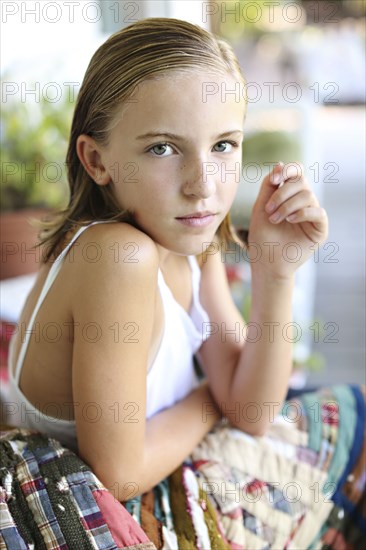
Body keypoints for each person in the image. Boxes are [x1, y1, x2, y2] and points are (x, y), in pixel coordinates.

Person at [5, 18, 364, 549]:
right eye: (162, 149)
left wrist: (275, 271)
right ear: (96, 160)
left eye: (223, 145)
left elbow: (254, 412)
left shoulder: (190, 249)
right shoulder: (118, 255)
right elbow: (120, 470)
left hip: (157, 471)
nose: (202, 185)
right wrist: (210, 399)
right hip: (82, 508)